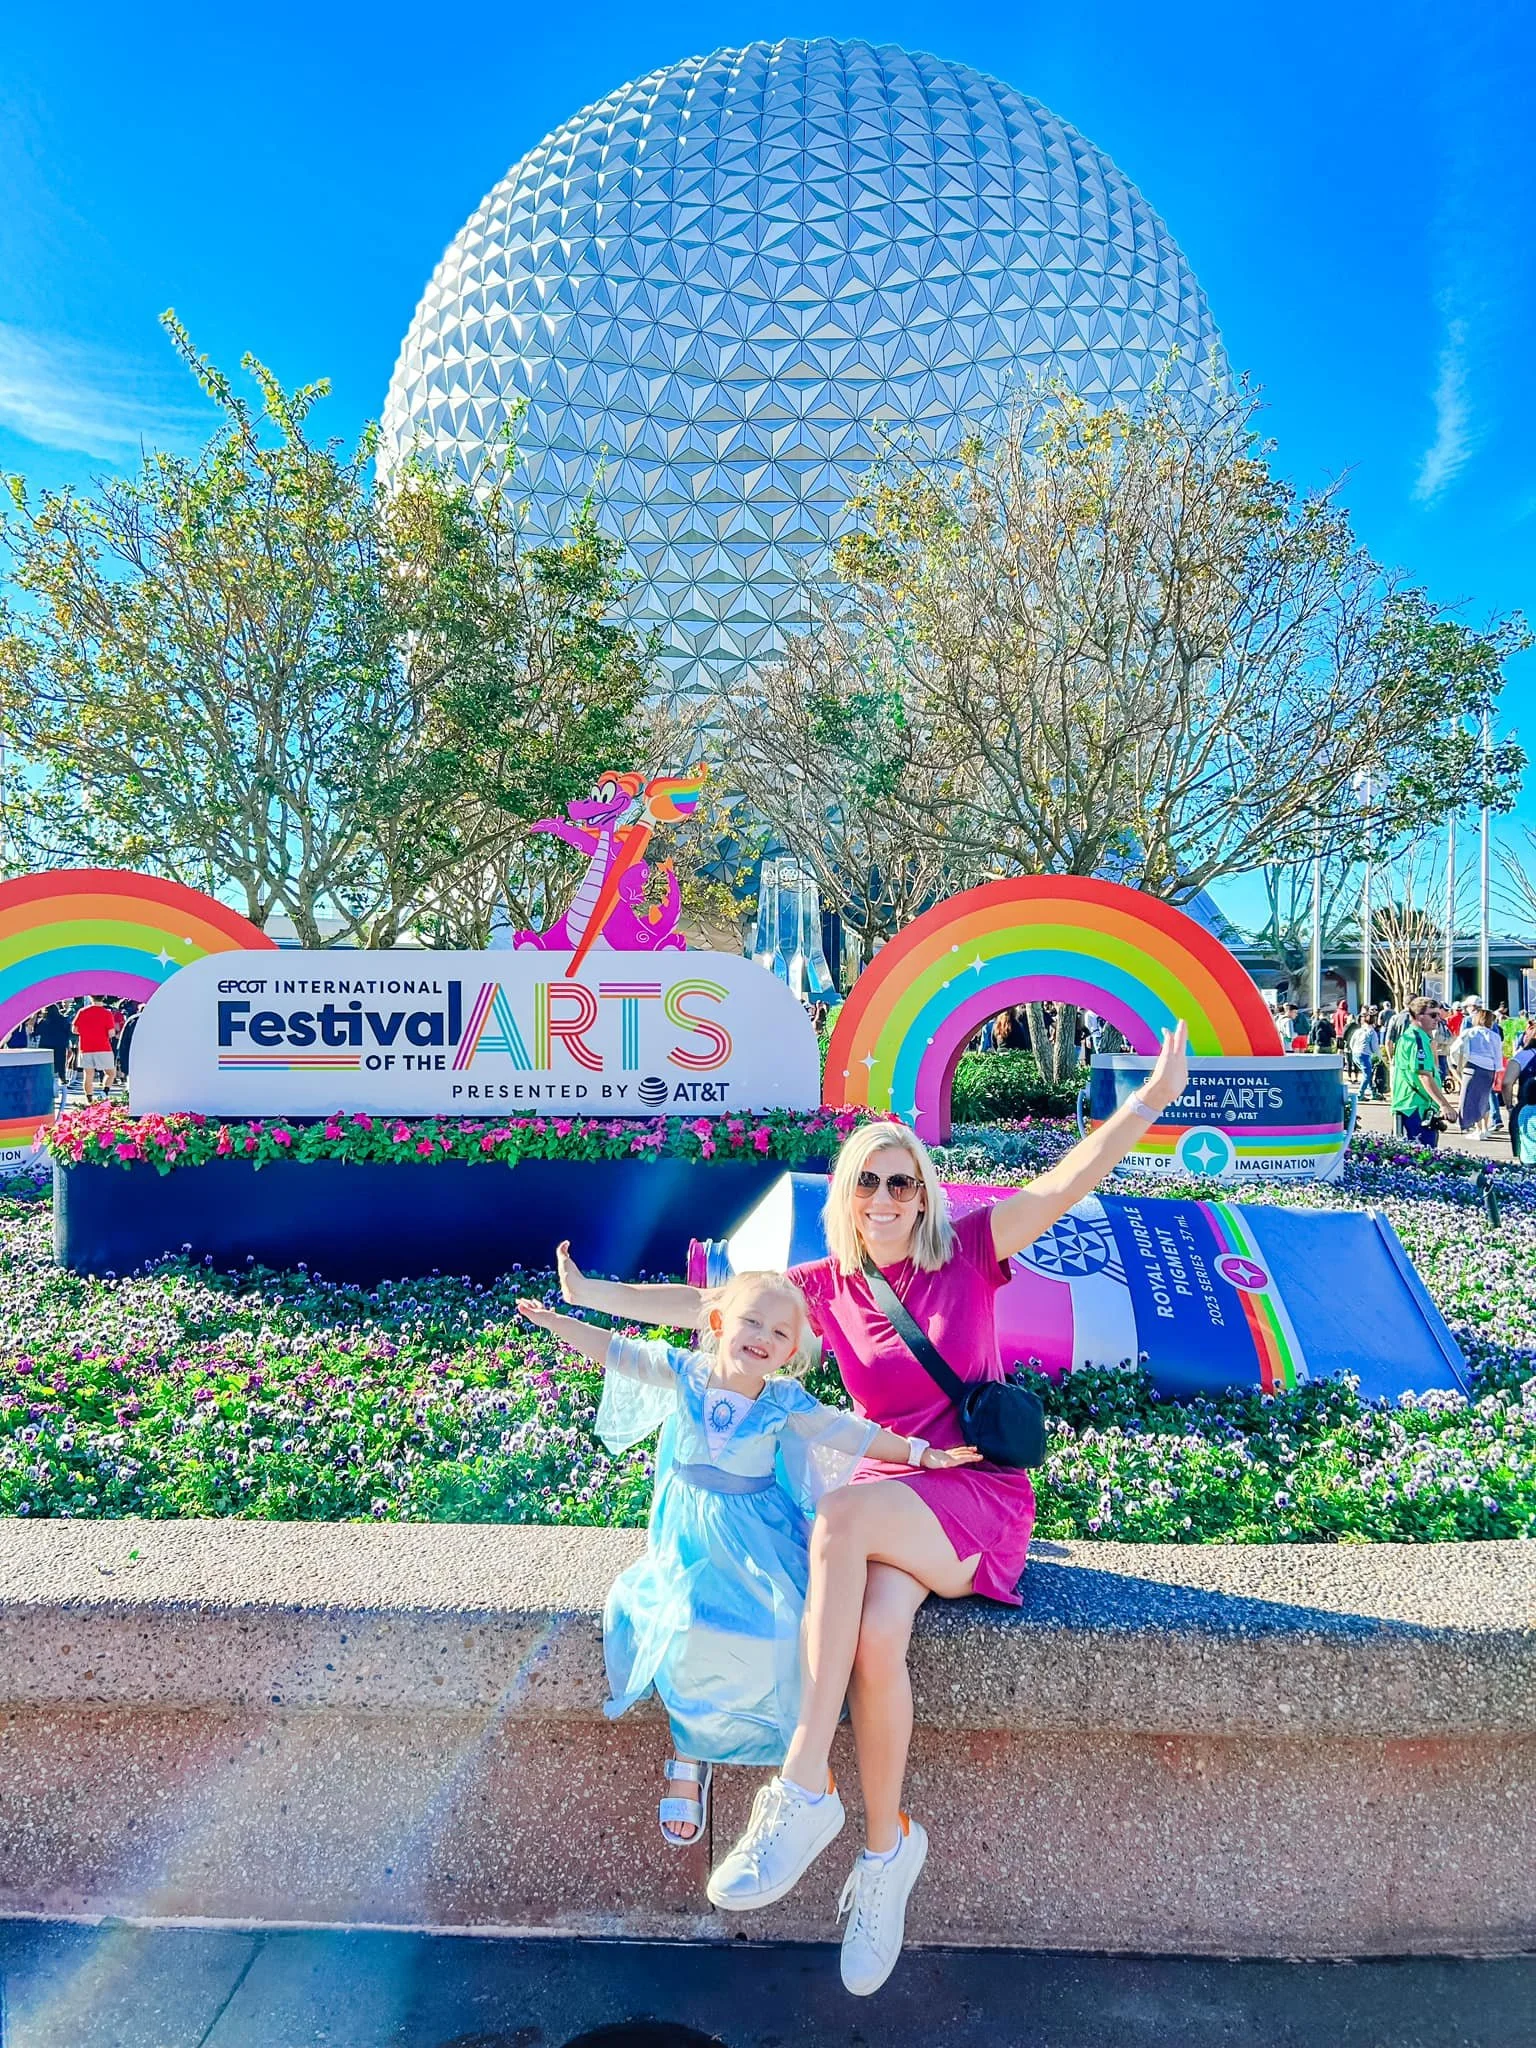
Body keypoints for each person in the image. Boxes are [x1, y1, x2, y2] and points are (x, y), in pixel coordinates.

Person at [559, 1024, 1192, 1995]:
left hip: (972, 1488)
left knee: (839, 1520)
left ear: (925, 1191)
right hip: (896, 1485)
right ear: (846, 1195)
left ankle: (804, 1782)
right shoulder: (824, 1288)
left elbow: (1067, 1181)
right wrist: (587, 1292)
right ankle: (886, 1854)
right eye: (869, 1182)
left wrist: (1147, 1101)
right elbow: (708, 1309)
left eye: (903, 1182)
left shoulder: (971, 1246)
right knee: (877, 1633)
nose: (887, 1198)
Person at [519, 1269, 978, 1850]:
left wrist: (921, 1453)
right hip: (690, 1539)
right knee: (683, 1625)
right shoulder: (686, 1374)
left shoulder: (784, 1401)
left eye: (780, 1331)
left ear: (792, 1350)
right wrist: (558, 1320)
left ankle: (790, 1761)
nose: (762, 1335)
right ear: (718, 1324)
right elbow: (618, 1352)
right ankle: (690, 1750)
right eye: (751, 1321)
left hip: (758, 1533)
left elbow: (850, 1433)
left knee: (786, 1626)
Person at [1390, 996, 1456, 1148]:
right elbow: (1423, 1076)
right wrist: (1444, 1105)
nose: (1438, 1019)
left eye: (1438, 1014)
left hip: (1418, 1106)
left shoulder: (1419, 1037)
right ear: (1419, 1016)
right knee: (1420, 1158)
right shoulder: (1416, 1039)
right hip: (1413, 1107)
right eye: (1433, 1015)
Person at [1458, 1009, 1503, 1138]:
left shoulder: (1469, 1033)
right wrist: (1497, 1070)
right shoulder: (1494, 1036)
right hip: (1489, 1068)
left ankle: (1477, 1129)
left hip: (1472, 1066)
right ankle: (1485, 1128)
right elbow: (1498, 1055)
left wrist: (1458, 1066)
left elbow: (1457, 1049)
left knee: (1471, 1098)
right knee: (1485, 1097)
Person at [71, 995, 121, 1102]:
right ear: (104, 998)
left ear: (90, 998)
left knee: (88, 1074)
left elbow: (74, 1030)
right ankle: (104, 1092)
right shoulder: (107, 1013)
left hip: (86, 1047)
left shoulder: (82, 1012)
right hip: (103, 1047)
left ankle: (89, 1099)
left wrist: (86, 1033)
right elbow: (111, 1033)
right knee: (111, 1073)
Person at [1503, 1025, 1536, 1163]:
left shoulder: (1524, 1055)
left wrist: (1509, 1106)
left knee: (1526, 1150)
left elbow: (1506, 1083)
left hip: (1527, 1105)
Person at [31, 1004, 73, 1100]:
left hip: (46, 1046)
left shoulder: (44, 1021)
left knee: (48, 1065)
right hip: (60, 1044)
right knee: (60, 1063)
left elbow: (36, 1032)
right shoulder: (63, 1020)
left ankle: (48, 1081)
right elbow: (68, 1032)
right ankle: (62, 1079)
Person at [1351, 1009, 1382, 1101]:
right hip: (1364, 1054)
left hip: (1355, 1053)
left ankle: (1373, 1092)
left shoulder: (1359, 1031)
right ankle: (1360, 1094)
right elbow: (1375, 1047)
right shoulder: (1372, 1032)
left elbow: (1352, 1042)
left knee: (1367, 1074)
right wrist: (1380, 1057)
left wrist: (1354, 1050)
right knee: (1367, 1075)